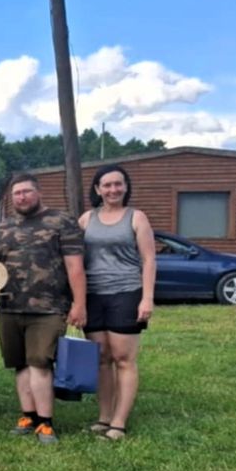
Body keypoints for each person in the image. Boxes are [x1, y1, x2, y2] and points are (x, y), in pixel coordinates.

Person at [0, 173, 86, 444]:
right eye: (17, 193)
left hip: (48, 308)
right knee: (19, 364)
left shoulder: (62, 221)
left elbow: (75, 267)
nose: (22, 197)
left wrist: (79, 304)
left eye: (27, 191)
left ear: (38, 192)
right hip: (9, 307)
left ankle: (45, 423)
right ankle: (28, 416)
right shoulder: (4, 227)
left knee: (40, 362)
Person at [79, 165, 155, 440]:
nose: (113, 190)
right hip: (93, 295)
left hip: (126, 292)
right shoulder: (86, 219)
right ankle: (104, 417)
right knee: (101, 358)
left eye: (118, 184)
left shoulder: (137, 218)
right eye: (107, 185)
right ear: (98, 189)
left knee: (123, 359)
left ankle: (119, 423)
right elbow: (74, 258)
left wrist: (147, 298)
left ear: (125, 186)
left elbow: (149, 260)